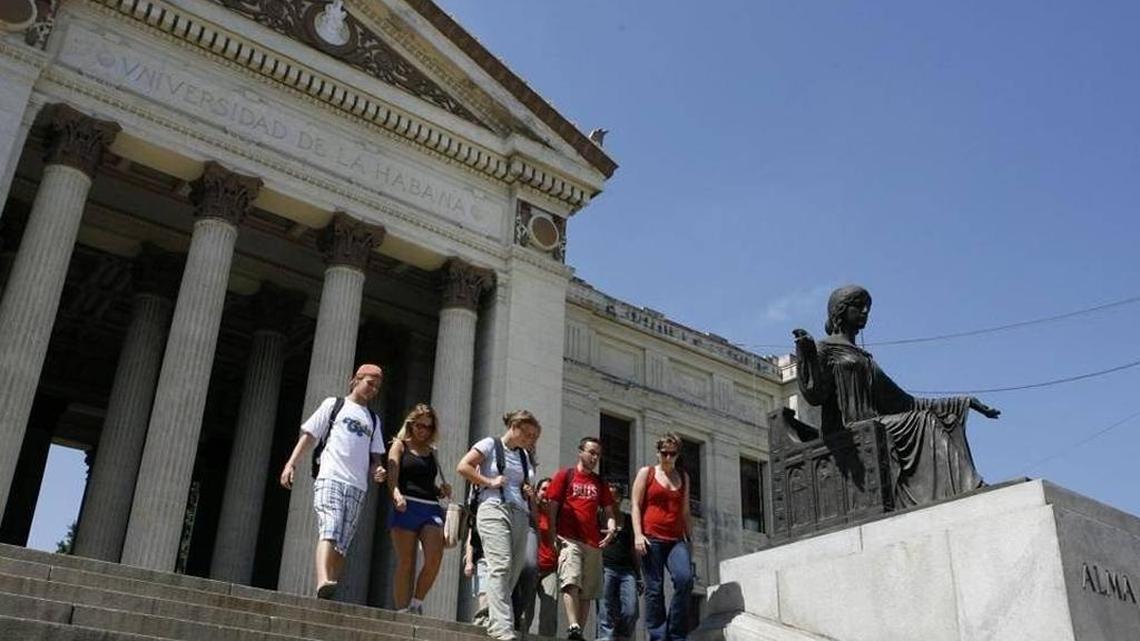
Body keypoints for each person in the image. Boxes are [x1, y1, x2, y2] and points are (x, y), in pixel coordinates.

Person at [793, 285, 1001, 507]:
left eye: (867, 308)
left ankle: (960, 488)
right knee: (923, 421)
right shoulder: (824, 348)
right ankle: (965, 488)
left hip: (875, 425)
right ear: (840, 310)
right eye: (858, 306)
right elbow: (815, 395)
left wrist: (962, 402)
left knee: (945, 420)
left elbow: (906, 402)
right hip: (849, 429)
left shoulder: (864, 357)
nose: (865, 311)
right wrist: (806, 355)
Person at [279, 363, 387, 599]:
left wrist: (378, 469)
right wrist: (291, 463)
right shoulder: (334, 405)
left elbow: (375, 457)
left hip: (357, 485)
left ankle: (330, 587)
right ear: (355, 380)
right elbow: (309, 436)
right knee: (331, 524)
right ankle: (323, 579)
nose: (373, 390)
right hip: (330, 476)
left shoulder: (373, 420)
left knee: (343, 541)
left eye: (377, 387)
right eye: (369, 384)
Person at [457, 410, 542, 641]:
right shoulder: (490, 445)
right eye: (528, 434)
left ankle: (490, 617)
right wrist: (488, 481)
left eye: (534, 436)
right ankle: (502, 626)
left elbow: (524, 484)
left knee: (513, 570)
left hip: (520, 514)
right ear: (514, 427)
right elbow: (463, 466)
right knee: (500, 565)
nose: (531, 440)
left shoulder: (525, 456)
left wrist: (527, 490)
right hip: (493, 508)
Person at [547, 437, 617, 641]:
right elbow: (552, 507)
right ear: (580, 452)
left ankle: (578, 633)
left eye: (598, 454)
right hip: (568, 537)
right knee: (571, 580)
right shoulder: (565, 476)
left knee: (588, 590)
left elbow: (609, 511)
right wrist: (552, 534)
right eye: (591, 452)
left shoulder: (599, 483)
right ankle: (573, 624)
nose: (595, 457)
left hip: (592, 541)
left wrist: (611, 526)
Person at [387, 404, 452, 614]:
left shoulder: (432, 452)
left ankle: (417, 602)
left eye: (428, 427)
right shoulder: (400, 445)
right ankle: (402, 610)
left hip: (431, 507)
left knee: (435, 557)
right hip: (406, 504)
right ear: (411, 423)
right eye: (420, 425)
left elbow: (426, 482)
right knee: (406, 561)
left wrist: (441, 490)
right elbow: (393, 472)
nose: (423, 430)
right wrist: (395, 493)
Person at [631, 433, 693, 641]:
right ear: (657, 453)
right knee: (654, 588)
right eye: (664, 453)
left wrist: (689, 541)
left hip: (676, 540)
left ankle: (676, 634)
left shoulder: (683, 477)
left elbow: (685, 512)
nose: (668, 458)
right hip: (651, 538)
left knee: (685, 580)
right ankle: (658, 635)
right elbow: (635, 506)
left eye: (672, 454)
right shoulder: (646, 473)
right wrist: (638, 534)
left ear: (677, 454)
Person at [596, 482, 640, 641]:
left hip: (627, 570)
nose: (611, 500)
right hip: (605, 567)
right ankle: (605, 637)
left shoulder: (628, 520)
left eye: (614, 497)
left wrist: (638, 574)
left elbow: (633, 549)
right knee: (605, 606)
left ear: (620, 499)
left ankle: (621, 635)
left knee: (631, 609)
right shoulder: (599, 517)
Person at [533, 477, 560, 637]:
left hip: (550, 568)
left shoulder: (556, 516)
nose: (546, 493)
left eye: (550, 491)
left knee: (549, 614)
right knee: (524, 613)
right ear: (537, 492)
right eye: (543, 489)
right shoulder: (530, 511)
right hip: (531, 568)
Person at [465, 525, 490, 627]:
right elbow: (471, 538)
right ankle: (482, 625)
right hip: (483, 560)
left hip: (500, 562)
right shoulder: (478, 512)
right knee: (483, 597)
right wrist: (468, 561)